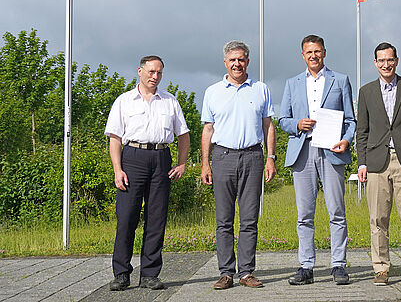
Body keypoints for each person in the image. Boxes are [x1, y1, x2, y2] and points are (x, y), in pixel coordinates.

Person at [105, 55, 190, 291]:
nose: (155, 77)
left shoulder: (170, 101)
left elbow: (183, 135)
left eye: (159, 73)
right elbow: (115, 138)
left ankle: (150, 274)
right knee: (126, 218)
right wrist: (118, 169)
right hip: (132, 158)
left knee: (156, 219)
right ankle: (121, 273)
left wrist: (182, 163)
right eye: (152, 72)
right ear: (140, 71)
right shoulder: (124, 101)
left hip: (161, 158)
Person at [279, 35, 356, 286]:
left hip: (332, 150)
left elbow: (351, 121)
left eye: (318, 51)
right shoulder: (292, 83)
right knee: (305, 214)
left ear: (324, 53)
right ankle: (306, 266)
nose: (314, 56)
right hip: (303, 151)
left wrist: (346, 140)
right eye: (309, 52)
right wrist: (297, 124)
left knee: (337, 211)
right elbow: (283, 120)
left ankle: (338, 265)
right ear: (303, 55)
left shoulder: (340, 80)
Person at [200, 40, 277, 290]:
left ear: (247, 61)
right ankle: (226, 272)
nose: (237, 63)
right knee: (224, 220)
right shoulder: (212, 91)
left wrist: (270, 158)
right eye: (232, 59)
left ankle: (246, 272)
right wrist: (205, 164)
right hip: (222, 157)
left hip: (253, 157)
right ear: (225, 62)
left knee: (249, 219)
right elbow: (208, 129)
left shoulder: (261, 89)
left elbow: (268, 126)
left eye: (241, 59)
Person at [357, 42, 401, 287]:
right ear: (375, 63)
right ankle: (381, 268)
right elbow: (362, 131)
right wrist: (362, 162)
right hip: (377, 163)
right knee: (378, 219)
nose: (386, 65)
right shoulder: (366, 92)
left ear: (396, 61)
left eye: (390, 60)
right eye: (381, 61)